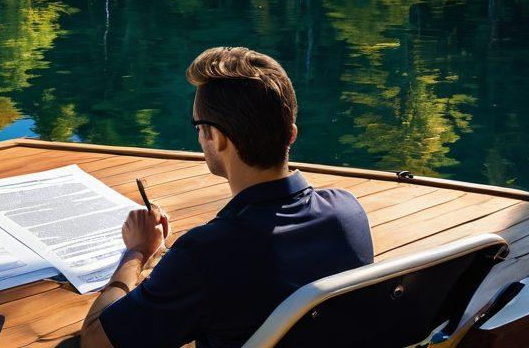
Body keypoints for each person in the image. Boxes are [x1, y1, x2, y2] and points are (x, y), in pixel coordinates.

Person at [80, 47, 374, 348]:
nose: (199, 137)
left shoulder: (206, 253)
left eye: (199, 127)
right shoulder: (348, 212)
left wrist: (137, 252)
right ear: (292, 133)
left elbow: (95, 340)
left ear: (217, 138)